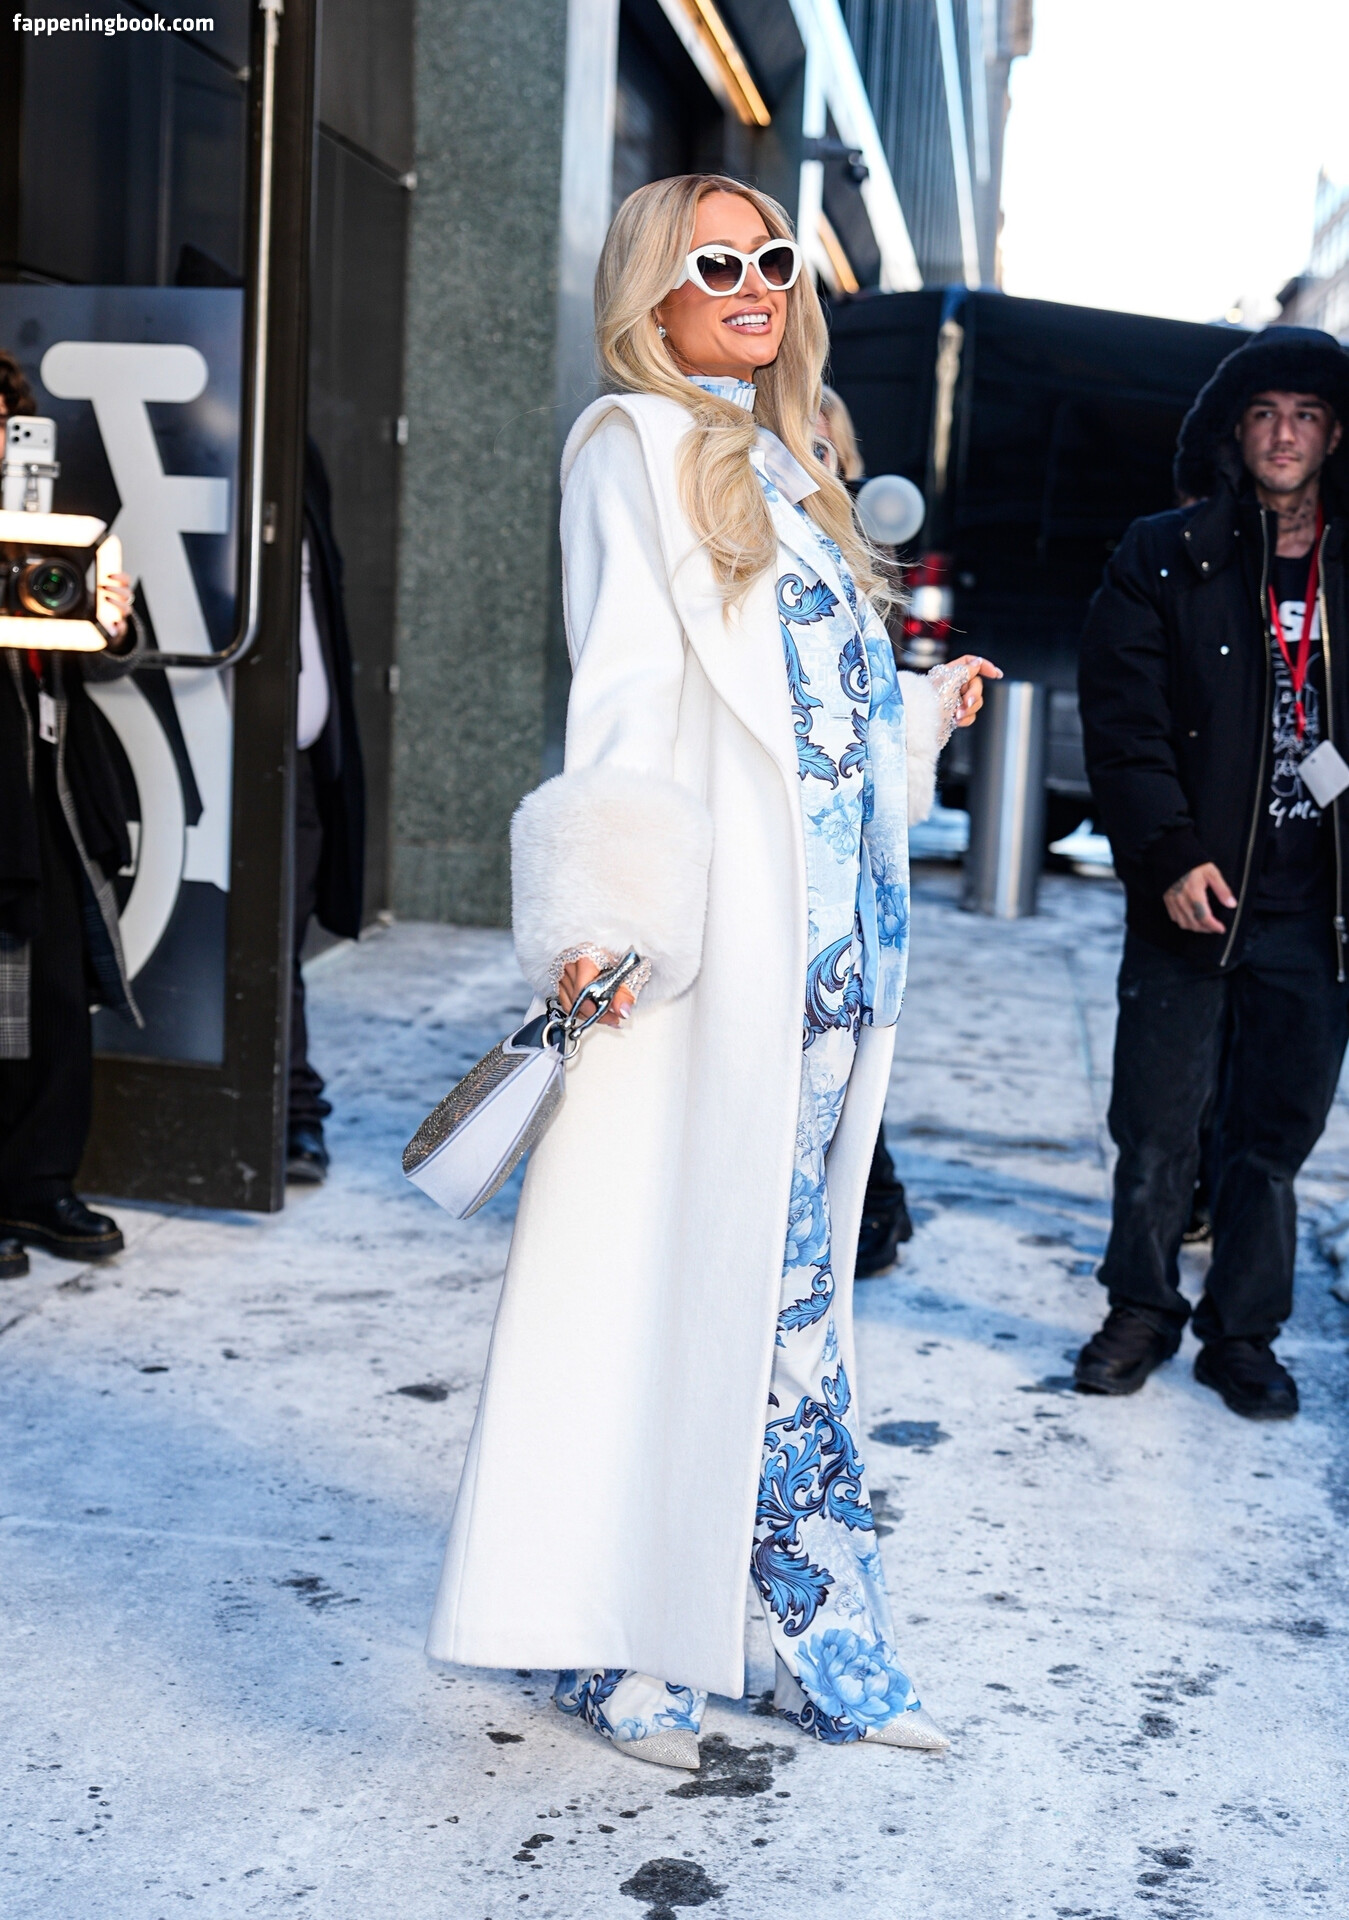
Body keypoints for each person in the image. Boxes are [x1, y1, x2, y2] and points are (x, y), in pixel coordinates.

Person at [425, 174, 1000, 1771]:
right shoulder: (633, 443)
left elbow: (802, 725)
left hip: (830, 964)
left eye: (774, 259)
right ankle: (633, 1648)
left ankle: (810, 1640)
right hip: (711, 966)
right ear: (651, 291)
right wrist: (603, 916)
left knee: (784, 1308)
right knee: (680, 1298)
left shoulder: (786, 466)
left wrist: (918, 715)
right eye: (717, 262)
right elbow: (622, 697)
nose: (755, 285)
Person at [1075, 326, 1349, 1420]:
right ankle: (1139, 1311)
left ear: (1333, 435)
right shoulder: (1163, 554)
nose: (1283, 436)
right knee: (1154, 1128)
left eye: (1305, 416)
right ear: (1234, 432)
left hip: (1316, 912)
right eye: (1263, 415)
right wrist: (1168, 853)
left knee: (1269, 1143)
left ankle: (1242, 1336)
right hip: (1189, 896)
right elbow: (1121, 725)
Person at [0, 350, 139, 1276]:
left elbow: (110, 645)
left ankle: (39, 1185)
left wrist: (111, 618)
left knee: (52, 997)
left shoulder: (53, 523)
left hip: (46, 793)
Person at [812, 383, 914, 1274]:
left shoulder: (849, 562)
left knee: (837, 1026)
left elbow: (870, 715)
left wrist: (929, 707)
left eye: (824, 445)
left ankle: (872, 1201)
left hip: (838, 851)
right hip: (762, 842)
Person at [285, 441, 366, 1184]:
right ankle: (291, 1107)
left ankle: (293, 1108)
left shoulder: (298, 455)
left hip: (304, 761)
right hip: (216, 753)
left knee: (284, 937)